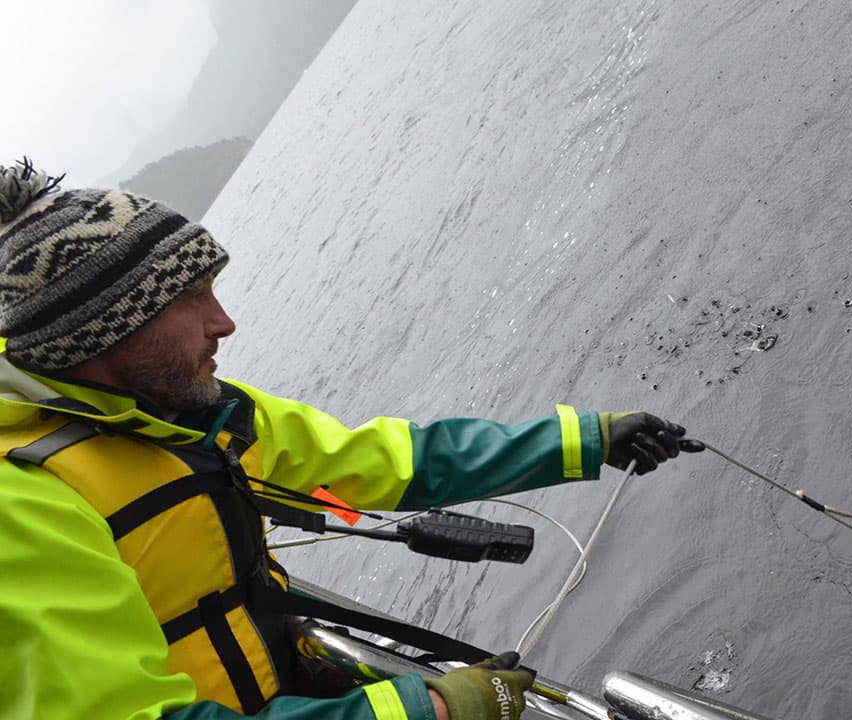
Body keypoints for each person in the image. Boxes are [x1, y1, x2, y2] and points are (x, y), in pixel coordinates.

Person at [0, 159, 703, 720]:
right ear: (105, 331)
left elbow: (388, 464)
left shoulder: (190, 414)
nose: (224, 323)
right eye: (190, 302)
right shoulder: (24, 507)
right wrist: (429, 708)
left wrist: (584, 441)